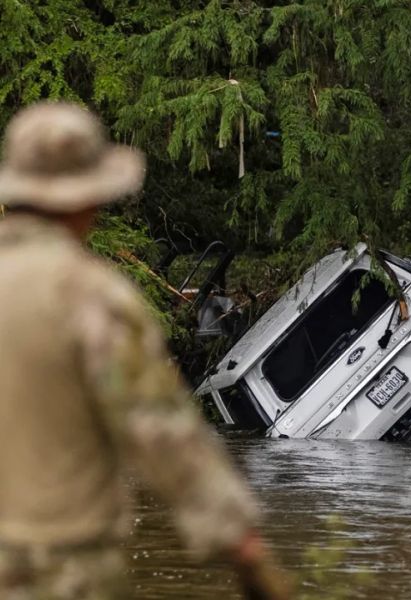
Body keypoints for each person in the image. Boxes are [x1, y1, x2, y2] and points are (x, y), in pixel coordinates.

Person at [0, 102, 289, 599]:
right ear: (88, 197)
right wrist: (240, 541)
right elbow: (160, 430)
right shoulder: (87, 296)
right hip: (59, 571)